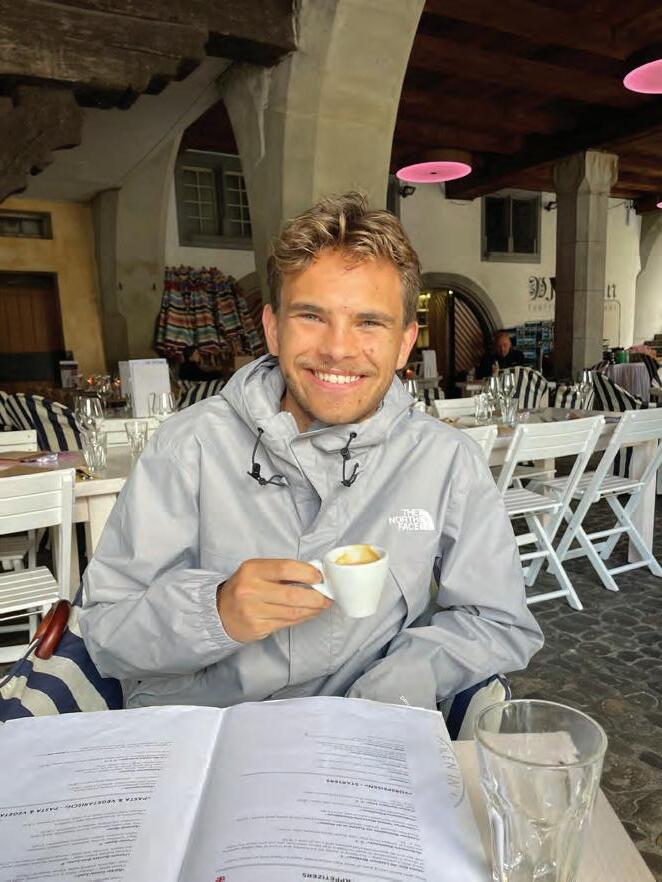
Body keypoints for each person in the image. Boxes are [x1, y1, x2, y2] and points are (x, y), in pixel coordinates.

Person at [79, 192, 542, 711]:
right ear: (273, 329)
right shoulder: (187, 446)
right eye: (311, 316)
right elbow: (104, 633)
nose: (338, 349)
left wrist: (391, 687)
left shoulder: (446, 461)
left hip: (368, 732)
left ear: (405, 342)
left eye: (369, 322)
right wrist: (215, 612)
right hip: (205, 729)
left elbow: (498, 620)